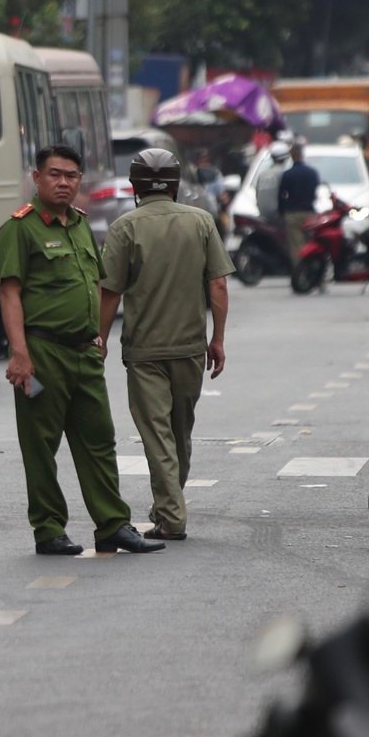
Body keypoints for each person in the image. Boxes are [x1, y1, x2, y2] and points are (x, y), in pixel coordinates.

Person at [0, 145, 161, 557]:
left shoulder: (81, 225)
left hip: (84, 353)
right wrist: (19, 354)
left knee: (99, 440)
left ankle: (112, 526)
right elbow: (9, 292)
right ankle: (49, 530)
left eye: (71, 175)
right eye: (55, 174)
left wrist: (99, 337)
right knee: (41, 446)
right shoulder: (21, 228)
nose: (64, 182)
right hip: (42, 353)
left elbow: (97, 286)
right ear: (37, 177)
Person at [98, 147, 232, 541]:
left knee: (156, 433)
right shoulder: (202, 222)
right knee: (179, 432)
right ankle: (166, 506)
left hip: (145, 350)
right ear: (175, 185)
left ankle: (171, 516)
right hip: (190, 346)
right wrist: (217, 339)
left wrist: (100, 338)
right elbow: (219, 285)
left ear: (135, 186)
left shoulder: (125, 227)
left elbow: (110, 292)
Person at [276, 139, 322, 267]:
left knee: (296, 245)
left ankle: (300, 270)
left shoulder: (288, 175)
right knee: (312, 242)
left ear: (292, 155)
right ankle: (313, 268)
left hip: (293, 213)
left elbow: (281, 196)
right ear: (302, 154)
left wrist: (282, 212)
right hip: (309, 212)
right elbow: (315, 192)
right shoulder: (312, 173)